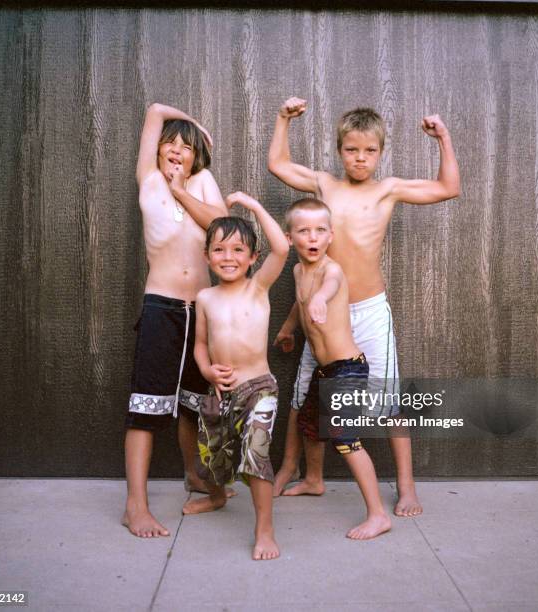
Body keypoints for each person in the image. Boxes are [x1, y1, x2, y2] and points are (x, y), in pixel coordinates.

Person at [269, 97, 460, 515]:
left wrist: (442, 138)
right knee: (304, 395)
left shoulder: (387, 190)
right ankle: (296, 471)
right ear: (340, 150)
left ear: (380, 153)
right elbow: (279, 166)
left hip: (369, 311)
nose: (360, 158)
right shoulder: (323, 185)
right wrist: (283, 119)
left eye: (369, 150)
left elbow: (449, 188)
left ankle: (407, 486)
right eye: (352, 149)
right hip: (323, 315)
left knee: (388, 400)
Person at [123, 103, 227, 538]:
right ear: (159, 150)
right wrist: (195, 121)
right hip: (162, 308)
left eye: (187, 146)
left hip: (201, 310)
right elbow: (152, 110)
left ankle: (195, 476)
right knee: (147, 408)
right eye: (171, 143)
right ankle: (136, 506)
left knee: (193, 406)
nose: (177, 150)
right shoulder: (147, 181)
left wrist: (184, 188)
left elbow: (221, 224)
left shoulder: (201, 182)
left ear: (195, 156)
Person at [182, 192, 289, 561]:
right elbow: (199, 344)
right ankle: (215, 497)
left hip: (258, 388)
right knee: (214, 455)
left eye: (238, 250)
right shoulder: (206, 297)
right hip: (219, 390)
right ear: (207, 256)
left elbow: (282, 249)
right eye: (220, 250)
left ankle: (264, 529)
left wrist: (254, 206)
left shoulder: (257, 288)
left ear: (252, 258)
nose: (228, 258)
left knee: (255, 452)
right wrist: (207, 369)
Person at [286, 197, 392, 539]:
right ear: (290, 238)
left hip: (348, 369)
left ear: (331, 235)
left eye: (320, 230)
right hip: (325, 369)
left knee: (346, 438)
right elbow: (300, 300)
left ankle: (377, 514)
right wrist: (288, 327)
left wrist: (320, 299)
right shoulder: (298, 271)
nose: (312, 237)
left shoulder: (331, 270)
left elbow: (326, 289)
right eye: (304, 231)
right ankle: (313, 480)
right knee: (311, 424)